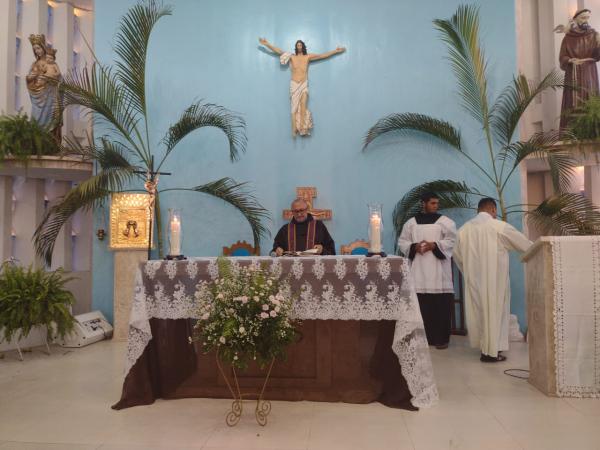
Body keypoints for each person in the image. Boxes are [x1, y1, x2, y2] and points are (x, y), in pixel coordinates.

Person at [453, 198, 532, 363]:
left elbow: (457, 256)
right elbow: (526, 246)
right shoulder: (499, 227)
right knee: (495, 313)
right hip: (495, 280)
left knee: (481, 313)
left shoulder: (463, 230)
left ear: (478, 210)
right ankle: (491, 352)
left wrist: (468, 271)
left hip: (474, 280)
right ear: (493, 210)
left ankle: (486, 349)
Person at [398, 192, 456, 349]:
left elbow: (452, 241)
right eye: (432, 203)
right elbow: (402, 242)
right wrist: (414, 246)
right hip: (418, 271)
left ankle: (441, 339)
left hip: (439, 273)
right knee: (421, 307)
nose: (436, 206)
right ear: (423, 203)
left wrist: (435, 245)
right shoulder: (411, 223)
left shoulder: (445, 222)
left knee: (440, 307)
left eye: (437, 203)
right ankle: (420, 339)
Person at [258, 37, 345, 137]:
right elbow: (279, 52)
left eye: (300, 45)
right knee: (294, 107)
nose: (299, 46)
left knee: (304, 103)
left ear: (303, 46)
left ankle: (303, 127)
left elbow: (322, 56)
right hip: (294, 84)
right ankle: (294, 129)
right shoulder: (292, 57)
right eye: (297, 45)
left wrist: (335, 51)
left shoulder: (308, 57)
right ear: (296, 47)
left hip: (303, 84)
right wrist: (267, 44)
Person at [555, 9, 600, 130]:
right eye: (583, 18)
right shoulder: (568, 38)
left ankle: (591, 131)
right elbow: (562, 57)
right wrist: (570, 60)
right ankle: (572, 132)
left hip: (589, 72)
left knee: (590, 98)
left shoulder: (594, 35)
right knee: (572, 101)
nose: (586, 21)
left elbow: (597, 56)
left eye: (587, 18)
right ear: (575, 19)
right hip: (573, 72)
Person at [26, 35, 63, 142]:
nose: (37, 51)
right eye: (35, 49)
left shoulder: (51, 62)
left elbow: (59, 77)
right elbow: (30, 78)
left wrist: (49, 79)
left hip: (50, 94)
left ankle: (51, 144)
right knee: (36, 118)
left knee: (51, 117)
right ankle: (37, 143)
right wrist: (30, 78)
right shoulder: (34, 64)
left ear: (43, 47)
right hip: (38, 97)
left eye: (38, 48)